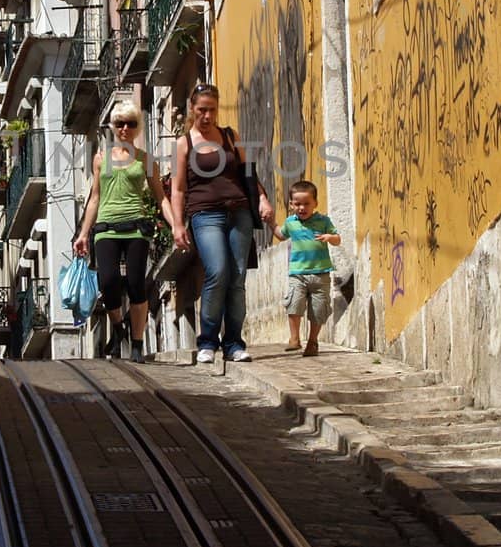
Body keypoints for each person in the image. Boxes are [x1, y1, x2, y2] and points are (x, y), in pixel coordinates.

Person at [169, 83, 275, 364]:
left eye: (212, 110)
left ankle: (234, 343)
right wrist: (178, 225)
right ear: (193, 109)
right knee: (217, 271)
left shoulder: (229, 136)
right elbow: (178, 189)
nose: (207, 116)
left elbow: (248, 174)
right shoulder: (184, 144)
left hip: (238, 210)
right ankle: (207, 341)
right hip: (205, 214)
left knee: (238, 277)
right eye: (202, 110)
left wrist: (262, 198)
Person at [74, 102, 173, 362]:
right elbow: (94, 198)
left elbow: (161, 198)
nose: (125, 128)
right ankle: (118, 329)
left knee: (137, 284)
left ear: (137, 127)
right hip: (106, 228)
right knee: (108, 283)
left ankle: (137, 343)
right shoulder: (100, 159)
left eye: (130, 123)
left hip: (136, 227)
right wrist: (84, 234)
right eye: (120, 124)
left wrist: (176, 225)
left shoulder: (145, 160)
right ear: (113, 127)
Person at [275, 180, 341, 357]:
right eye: (297, 204)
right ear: (291, 204)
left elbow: (338, 239)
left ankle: (313, 342)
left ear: (315, 204)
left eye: (306, 204)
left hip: (321, 274)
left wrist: (330, 237)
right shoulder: (290, 223)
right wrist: (269, 222)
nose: (301, 208)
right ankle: (294, 338)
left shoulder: (323, 221)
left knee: (318, 311)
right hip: (298, 274)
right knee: (294, 305)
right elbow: (281, 235)